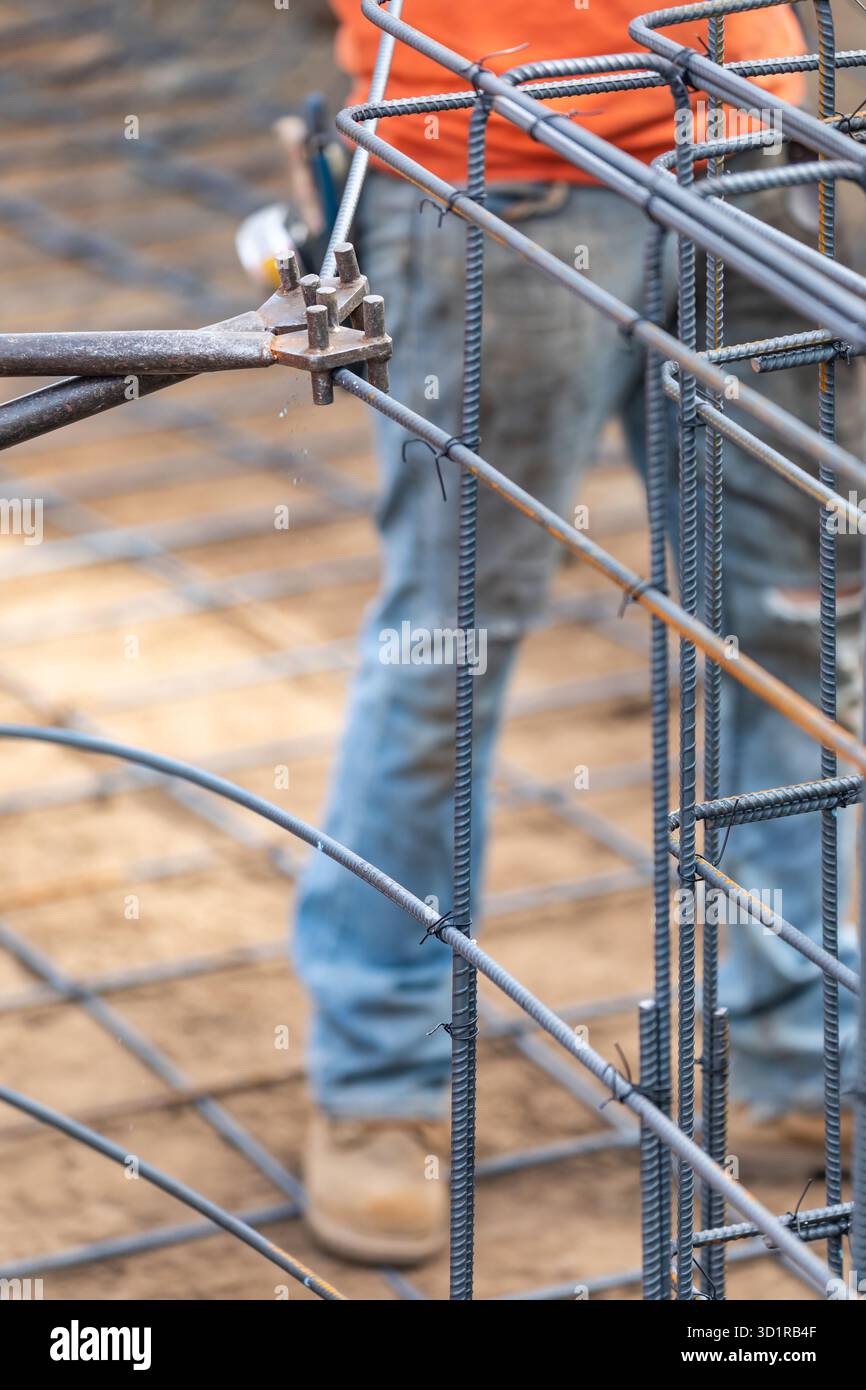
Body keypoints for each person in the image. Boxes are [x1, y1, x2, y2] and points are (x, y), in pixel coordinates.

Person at [294, 0, 863, 1265]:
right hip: (493, 159)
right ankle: (376, 1070)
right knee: (448, 645)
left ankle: (787, 1034)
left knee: (793, 629)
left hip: (750, 148)